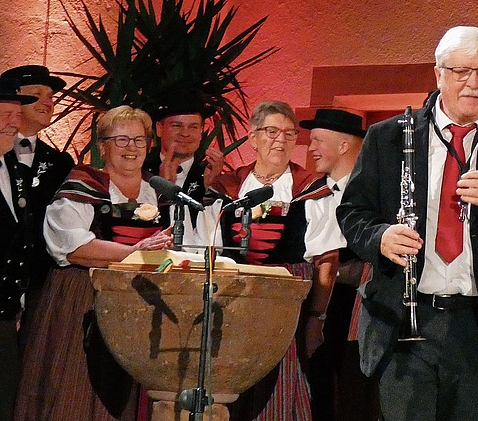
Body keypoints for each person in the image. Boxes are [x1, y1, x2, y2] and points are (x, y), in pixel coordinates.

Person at [336, 25, 478, 421]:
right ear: (438, 74)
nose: (474, 83)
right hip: (405, 318)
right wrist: (380, 237)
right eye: (461, 71)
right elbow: (352, 212)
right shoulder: (388, 137)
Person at [15, 105, 173, 421]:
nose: (131, 148)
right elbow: (73, 247)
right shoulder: (83, 184)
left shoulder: (158, 190)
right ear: (103, 146)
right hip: (84, 297)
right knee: (76, 388)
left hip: (143, 302)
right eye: (121, 140)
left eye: (139, 140)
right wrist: (135, 251)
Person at [201, 100, 332, 421]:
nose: (280, 140)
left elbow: (326, 260)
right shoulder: (227, 187)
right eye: (271, 131)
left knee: (278, 388)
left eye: (289, 133)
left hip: (286, 306)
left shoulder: (311, 189)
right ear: (253, 137)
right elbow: (209, 249)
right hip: (230, 304)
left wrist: (316, 318)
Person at [297, 108, 379, 421]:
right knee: (317, 390)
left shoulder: (376, 194)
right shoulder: (310, 194)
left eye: (318, 140)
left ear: (343, 146)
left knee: (355, 395)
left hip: (361, 308)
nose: (311, 148)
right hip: (317, 303)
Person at [0, 65, 75, 341]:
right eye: (36, 94)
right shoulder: (3, 154)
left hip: (39, 282)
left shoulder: (60, 162)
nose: (47, 102)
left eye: (50, 96)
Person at [0, 78, 37, 421]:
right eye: (5, 114)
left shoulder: (12, 168)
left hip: (6, 313)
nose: (14, 123)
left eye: (16, 114)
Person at [143, 97, 222, 249]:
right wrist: (161, 188)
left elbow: (213, 236)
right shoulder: (140, 169)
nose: (185, 134)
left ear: (201, 131)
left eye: (193, 127)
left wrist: (213, 189)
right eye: (177, 125)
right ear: (159, 128)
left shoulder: (210, 174)